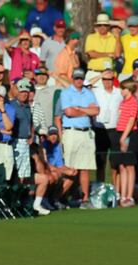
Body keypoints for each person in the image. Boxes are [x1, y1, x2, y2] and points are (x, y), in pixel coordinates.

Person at [60, 68, 100, 209]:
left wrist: (79, 109)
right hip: (71, 132)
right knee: (70, 167)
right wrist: (85, 111)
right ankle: (60, 197)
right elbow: (69, 112)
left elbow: (96, 111)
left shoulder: (88, 93)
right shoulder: (66, 93)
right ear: (72, 78)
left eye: (81, 78)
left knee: (85, 167)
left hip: (86, 132)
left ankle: (85, 199)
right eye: (76, 78)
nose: (79, 81)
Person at [85, 14, 121, 80]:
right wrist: (108, 54)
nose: (102, 27)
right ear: (97, 26)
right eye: (100, 25)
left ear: (108, 26)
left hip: (109, 73)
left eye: (105, 25)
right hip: (94, 72)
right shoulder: (91, 37)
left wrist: (118, 38)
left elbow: (117, 55)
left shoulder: (114, 38)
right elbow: (91, 54)